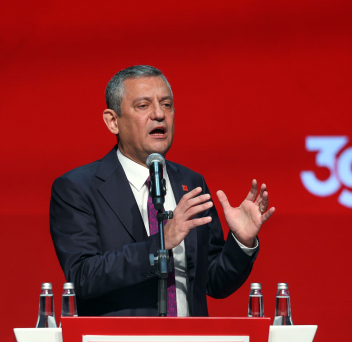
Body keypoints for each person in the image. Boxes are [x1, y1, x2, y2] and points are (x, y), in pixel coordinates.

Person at [49, 65, 274, 316]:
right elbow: (83, 276)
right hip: (120, 340)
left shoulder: (190, 182)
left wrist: (241, 241)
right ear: (113, 121)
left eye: (166, 105)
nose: (159, 114)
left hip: (189, 341)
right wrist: (160, 243)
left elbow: (213, 281)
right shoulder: (78, 188)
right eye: (143, 105)